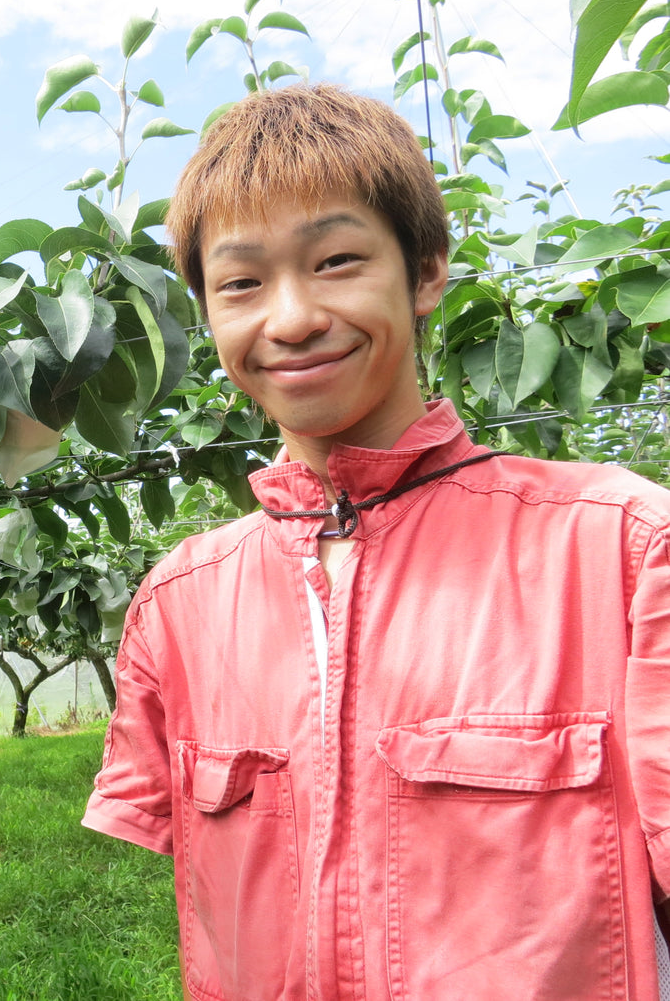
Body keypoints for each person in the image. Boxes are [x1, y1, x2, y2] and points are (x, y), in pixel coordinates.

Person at [83, 83, 670, 1000]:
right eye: (241, 282)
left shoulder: (623, 552)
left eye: (336, 260)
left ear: (426, 271)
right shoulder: (179, 602)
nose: (289, 318)